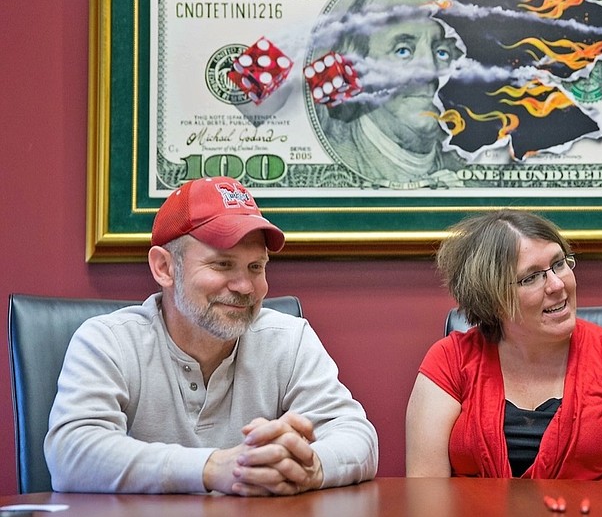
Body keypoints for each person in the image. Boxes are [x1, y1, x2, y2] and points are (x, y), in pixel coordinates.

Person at [45, 176, 378, 495]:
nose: (245, 287)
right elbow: (71, 452)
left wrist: (310, 467)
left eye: (256, 267)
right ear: (164, 268)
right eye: (222, 265)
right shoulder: (107, 341)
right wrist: (212, 468)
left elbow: (357, 436)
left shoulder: (289, 339)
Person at [405, 209, 602, 483]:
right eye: (531, 277)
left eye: (559, 264)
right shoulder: (449, 361)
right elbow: (425, 499)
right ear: (492, 300)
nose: (556, 284)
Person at [318, 0, 464, 187]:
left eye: (442, 52)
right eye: (403, 50)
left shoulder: (465, 167)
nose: (429, 70)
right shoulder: (342, 153)